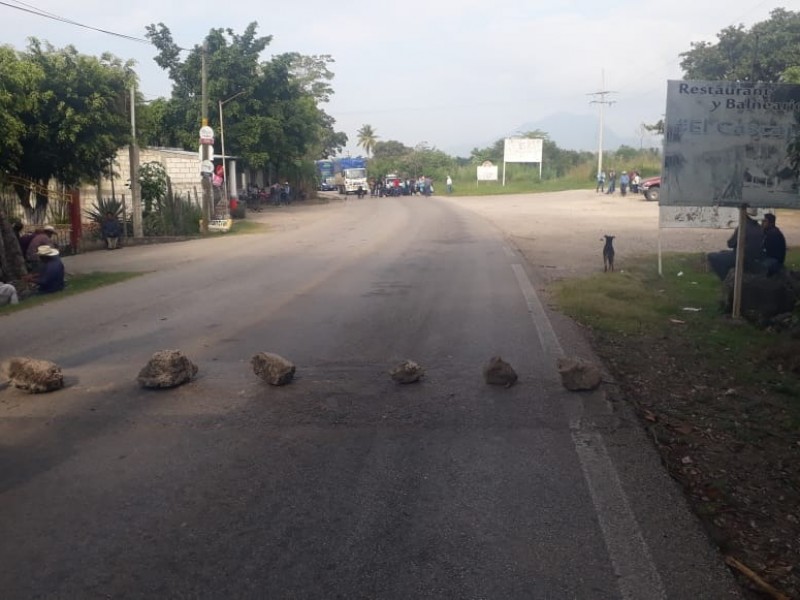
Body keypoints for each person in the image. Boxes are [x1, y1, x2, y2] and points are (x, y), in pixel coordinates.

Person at [707, 208, 764, 280]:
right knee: (723, 253)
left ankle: (726, 279)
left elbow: (730, 244)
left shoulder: (743, 227)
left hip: (742, 257)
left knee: (712, 256)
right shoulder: (759, 228)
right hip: (754, 257)